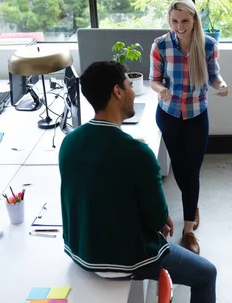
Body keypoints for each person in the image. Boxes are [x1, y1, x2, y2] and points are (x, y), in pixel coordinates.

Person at [59, 61, 217, 303]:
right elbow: (157, 220)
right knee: (207, 274)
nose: (133, 92)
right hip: (126, 260)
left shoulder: (69, 142)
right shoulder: (138, 154)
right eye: (130, 85)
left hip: (80, 253)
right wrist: (160, 215)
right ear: (117, 92)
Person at [150, 0, 229, 255]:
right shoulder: (160, 45)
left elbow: (214, 76)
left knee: (191, 170)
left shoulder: (208, 45)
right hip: (169, 115)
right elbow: (154, 80)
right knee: (181, 169)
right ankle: (191, 206)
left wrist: (221, 85)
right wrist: (161, 90)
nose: (179, 26)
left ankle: (188, 231)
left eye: (185, 20)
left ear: (194, 19)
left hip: (196, 116)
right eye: (174, 21)